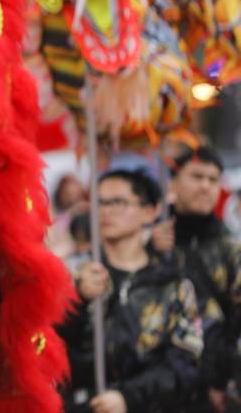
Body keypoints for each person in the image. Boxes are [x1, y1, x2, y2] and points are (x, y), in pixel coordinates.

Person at [59, 169, 205, 413]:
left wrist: (128, 398)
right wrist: (78, 299)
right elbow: (49, 346)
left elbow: (186, 362)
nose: (106, 210)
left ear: (149, 211)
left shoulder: (173, 285)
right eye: (99, 202)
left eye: (118, 201)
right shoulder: (72, 275)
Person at [151, 145, 241, 411]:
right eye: (197, 176)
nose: (205, 186)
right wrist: (149, 250)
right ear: (173, 182)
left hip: (210, 389)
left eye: (213, 179)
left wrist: (219, 379)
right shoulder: (149, 237)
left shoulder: (229, 249)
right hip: (155, 385)